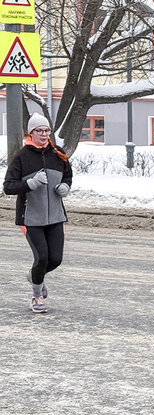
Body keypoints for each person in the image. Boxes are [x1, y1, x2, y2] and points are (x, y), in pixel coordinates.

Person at [3, 112, 72, 314]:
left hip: (56, 216)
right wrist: (30, 184)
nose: (44, 134)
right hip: (31, 218)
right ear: (31, 133)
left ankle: (35, 275)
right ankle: (37, 296)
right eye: (39, 130)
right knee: (41, 258)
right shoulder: (22, 157)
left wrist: (66, 186)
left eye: (46, 130)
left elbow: (68, 175)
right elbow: (8, 186)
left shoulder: (57, 153)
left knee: (55, 259)